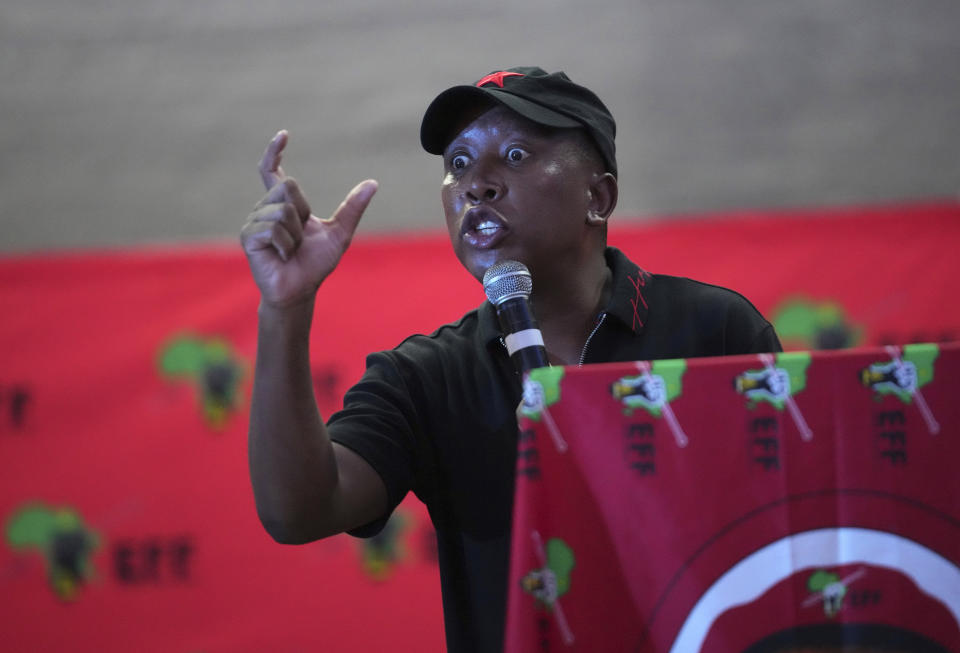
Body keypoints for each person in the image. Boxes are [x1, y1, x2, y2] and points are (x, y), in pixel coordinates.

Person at [240, 66, 782, 653]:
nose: (476, 184)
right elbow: (299, 512)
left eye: (516, 154)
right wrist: (285, 309)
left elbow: (790, 525)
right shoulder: (425, 376)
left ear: (597, 197)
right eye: (459, 163)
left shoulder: (714, 328)